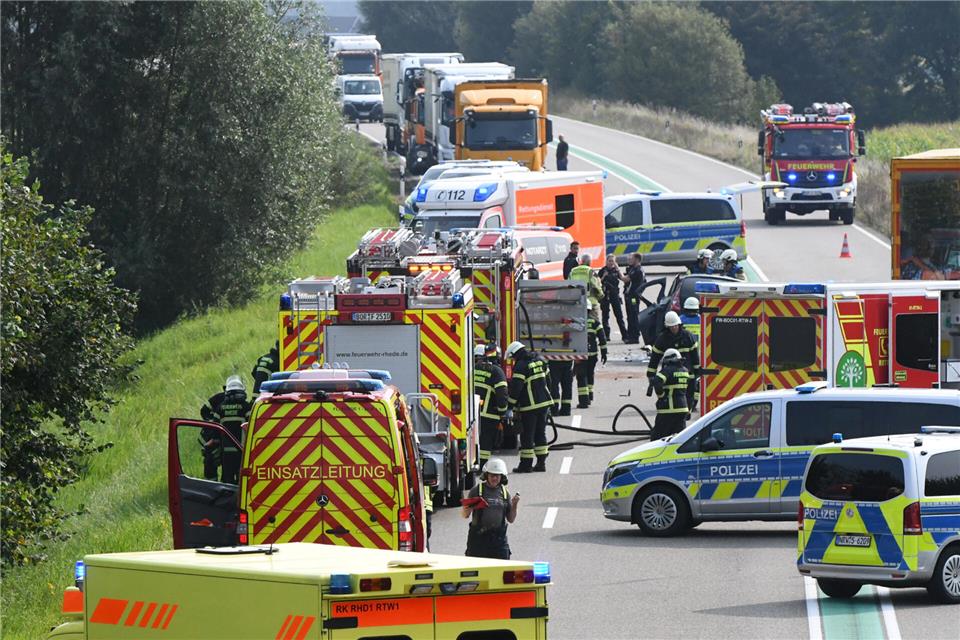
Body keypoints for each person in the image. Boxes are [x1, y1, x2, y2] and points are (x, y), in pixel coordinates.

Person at [506, 341, 553, 473]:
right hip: (544, 404)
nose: (513, 360)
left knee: (527, 436)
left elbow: (516, 388)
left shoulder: (521, 365)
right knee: (540, 433)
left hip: (529, 407)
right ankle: (541, 463)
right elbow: (549, 381)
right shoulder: (540, 360)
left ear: (516, 353)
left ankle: (526, 465)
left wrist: (510, 405)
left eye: (513, 357)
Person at [462, 458, 519, 559]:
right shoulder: (476, 491)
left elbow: (511, 519)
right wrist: (471, 506)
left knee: (502, 570)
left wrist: (514, 504)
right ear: (486, 475)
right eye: (492, 475)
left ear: (502, 477)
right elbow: (465, 515)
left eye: (497, 476)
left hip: (499, 540)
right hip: (478, 540)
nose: (495, 478)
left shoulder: (505, 493)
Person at [200, 375, 252, 484]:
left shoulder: (221, 408)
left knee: (226, 479)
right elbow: (252, 427)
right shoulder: (246, 407)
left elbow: (215, 428)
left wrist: (212, 441)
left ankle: (226, 498)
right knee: (242, 480)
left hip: (226, 452)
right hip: (242, 451)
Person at [646, 311, 699, 399]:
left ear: (679, 324)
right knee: (670, 397)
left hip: (687, 374)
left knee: (688, 397)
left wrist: (697, 371)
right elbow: (654, 359)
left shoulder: (687, 336)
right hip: (669, 375)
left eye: (675, 325)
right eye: (671, 326)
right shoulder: (662, 339)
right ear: (667, 326)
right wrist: (651, 374)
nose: (674, 328)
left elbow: (694, 356)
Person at [474, 344, 509, 469]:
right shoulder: (496, 371)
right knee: (485, 443)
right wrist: (502, 412)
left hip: (470, 415)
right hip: (488, 415)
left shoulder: (470, 369)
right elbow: (502, 394)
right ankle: (482, 467)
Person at [650, 348, 692, 439]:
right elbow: (691, 390)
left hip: (668, 410)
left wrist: (661, 396)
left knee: (657, 438)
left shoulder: (668, 370)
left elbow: (657, 382)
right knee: (679, 439)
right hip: (683, 409)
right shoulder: (685, 371)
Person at [575, 302, 608, 408]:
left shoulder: (578, 322)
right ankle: (590, 395)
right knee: (590, 374)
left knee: (581, 375)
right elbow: (602, 339)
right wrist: (604, 353)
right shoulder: (596, 323)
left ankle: (584, 401)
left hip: (581, 354)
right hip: (593, 354)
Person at [678, 297, 702, 412]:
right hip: (699, 354)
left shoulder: (680, 320)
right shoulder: (702, 319)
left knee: (685, 381)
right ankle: (693, 403)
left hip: (685, 356)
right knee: (696, 381)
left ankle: (687, 402)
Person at [598, 254, 628, 340]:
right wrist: (604, 276)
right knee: (605, 316)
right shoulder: (602, 270)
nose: (611, 263)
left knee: (619, 316)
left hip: (615, 295)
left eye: (613, 261)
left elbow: (623, 278)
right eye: (609, 261)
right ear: (606, 261)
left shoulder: (616, 270)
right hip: (605, 295)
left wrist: (618, 270)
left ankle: (625, 336)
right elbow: (597, 282)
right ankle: (606, 336)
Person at [569, 253, 604, 320]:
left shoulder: (573, 271)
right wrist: (601, 295)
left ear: (581, 261)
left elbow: (569, 285)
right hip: (591, 303)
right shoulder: (590, 271)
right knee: (594, 324)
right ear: (589, 262)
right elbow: (596, 285)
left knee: (579, 324)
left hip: (577, 302)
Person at [623, 252, 646, 344]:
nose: (629, 260)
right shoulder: (634, 269)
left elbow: (625, 279)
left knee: (633, 316)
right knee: (630, 316)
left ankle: (634, 337)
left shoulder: (637, 270)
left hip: (633, 297)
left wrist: (617, 269)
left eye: (631, 258)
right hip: (631, 296)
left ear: (636, 259)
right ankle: (630, 335)